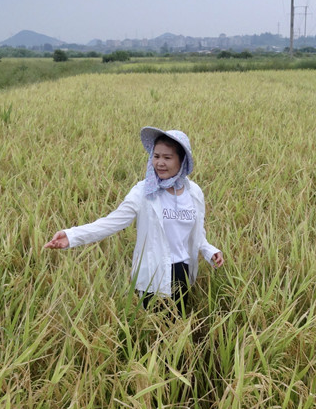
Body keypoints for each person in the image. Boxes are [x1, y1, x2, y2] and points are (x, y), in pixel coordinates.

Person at [44, 127, 224, 314]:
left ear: (182, 160)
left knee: (176, 326)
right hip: (153, 272)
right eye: (156, 156)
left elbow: (196, 233)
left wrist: (209, 250)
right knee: (152, 330)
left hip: (182, 272)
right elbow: (112, 222)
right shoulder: (144, 192)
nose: (160, 163)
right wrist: (71, 236)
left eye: (167, 158)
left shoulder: (193, 192)